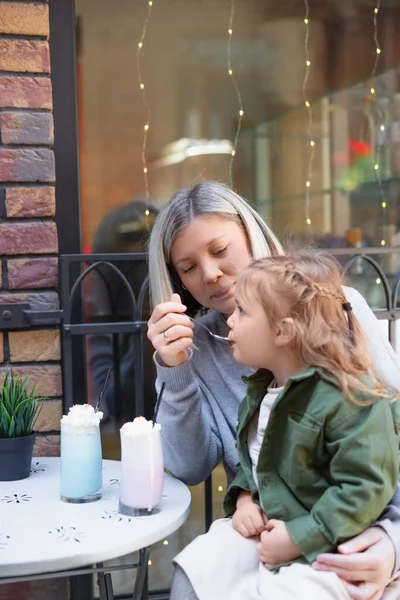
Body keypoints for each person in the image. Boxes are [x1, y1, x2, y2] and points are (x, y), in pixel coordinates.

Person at [147, 181, 400, 599]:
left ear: (250, 233)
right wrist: (175, 371)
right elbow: (191, 466)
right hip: (261, 523)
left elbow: (386, 442)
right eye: (188, 267)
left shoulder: (336, 308)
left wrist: (392, 544)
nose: (209, 273)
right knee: (194, 575)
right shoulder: (200, 347)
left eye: (220, 249)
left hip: (360, 522)